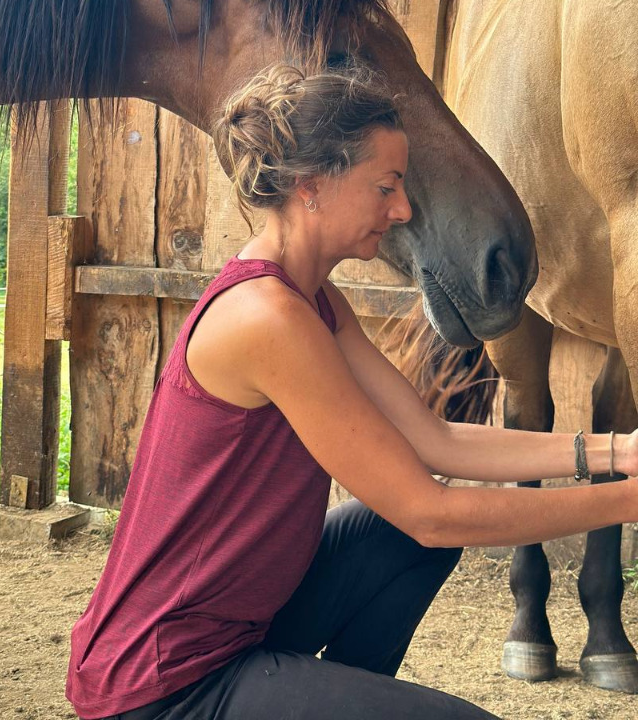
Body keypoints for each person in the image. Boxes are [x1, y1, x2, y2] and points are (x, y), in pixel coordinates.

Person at [66, 60, 638, 720]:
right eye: (386, 186)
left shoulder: (310, 296)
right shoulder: (268, 319)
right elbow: (430, 509)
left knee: (394, 537)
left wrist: (618, 453)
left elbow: (436, 441)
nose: (402, 209)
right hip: (166, 680)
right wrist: (626, 504)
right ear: (312, 186)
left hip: (240, 633)